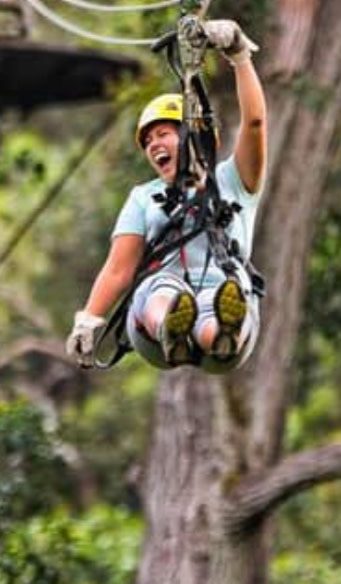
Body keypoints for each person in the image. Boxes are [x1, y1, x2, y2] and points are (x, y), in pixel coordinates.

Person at [65, 20, 266, 373]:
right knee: (162, 287)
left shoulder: (234, 180)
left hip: (223, 295)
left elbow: (255, 124)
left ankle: (220, 332)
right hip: (153, 321)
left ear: (196, 134)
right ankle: (172, 328)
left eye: (163, 133)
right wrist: (89, 319)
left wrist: (239, 55)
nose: (154, 145)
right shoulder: (144, 197)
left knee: (220, 297)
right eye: (148, 141)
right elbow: (118, 268)